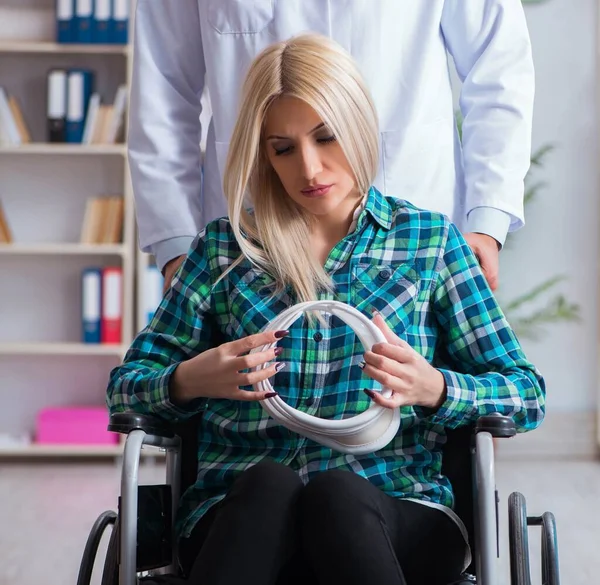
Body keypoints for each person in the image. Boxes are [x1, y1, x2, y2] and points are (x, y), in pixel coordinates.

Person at [108, 34, 545, 585]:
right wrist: (189, 380)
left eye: (326, 137)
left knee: (337, 494)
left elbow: (526, 393)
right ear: (261, 154)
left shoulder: (430, 245)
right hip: (241, 513)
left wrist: (434, 387)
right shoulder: (223, 251)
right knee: (271, 484)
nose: (310, 169)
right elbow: (125, 387)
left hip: (396, 509)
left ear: (358, 126)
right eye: (282, 148)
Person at [127, 0, 535, 294]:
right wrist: (176, 243)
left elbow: (498, 69)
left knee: (412, 395)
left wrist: (486, 220)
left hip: (412, 232)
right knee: (252, 399)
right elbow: (161, 91)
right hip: (249, 240)